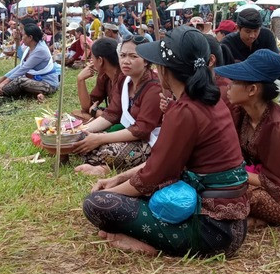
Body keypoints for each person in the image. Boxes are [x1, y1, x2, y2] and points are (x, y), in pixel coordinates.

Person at [83, 26, 249, 257]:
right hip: (233, 223)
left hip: (212, 230)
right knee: (116, 195)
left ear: (165, 70)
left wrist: (115, 193)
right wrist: (117, 178)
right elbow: (162, 162)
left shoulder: (185, 109)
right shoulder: (208, 100)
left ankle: (151, 245)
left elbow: (154, 174)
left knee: (98, 203)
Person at [215, 49, 280, 229]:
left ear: (252, 89)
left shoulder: (278, 127)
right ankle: (251, 219)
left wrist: (235, 175)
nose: (228, 85)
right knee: (217, 187)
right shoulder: (242, 113)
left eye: (235, 81)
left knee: (234, 195)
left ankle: (252, 219)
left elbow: (277, 186)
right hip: (257, 179)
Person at [73, 36, 163, 176]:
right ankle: (104, 164)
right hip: (128, 135)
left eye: (133, 56)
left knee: (105, 151)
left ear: (146, 61)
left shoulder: (154, 88)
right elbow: (112, 114)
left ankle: (105, 168)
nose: (126, 61)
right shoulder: (123, 80)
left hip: (150, 141)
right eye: (123, 55)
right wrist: (81, 131)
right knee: (80, 139)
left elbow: (141, 130)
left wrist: (99, 139)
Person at [0, 25, 59, 102]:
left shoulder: (40, 50)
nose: (22, 37)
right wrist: (2, 78)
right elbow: (21, 64)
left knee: (20, 80)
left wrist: (3, 83)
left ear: (30, 37)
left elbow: (24, 68)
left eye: (23, 35)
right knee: (10, 80)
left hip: (48, 84)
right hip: (36, 81)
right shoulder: (32, 47)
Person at [74, 38, 121, 121]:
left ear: (100, 60)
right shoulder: (104, 75)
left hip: (123, 123)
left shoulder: (123, 78)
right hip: (110, 116)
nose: (91, 62)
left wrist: (96, 112)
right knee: (77, 114)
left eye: (92, 58)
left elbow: (117, 117)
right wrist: (80, 80)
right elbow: (87, 107)